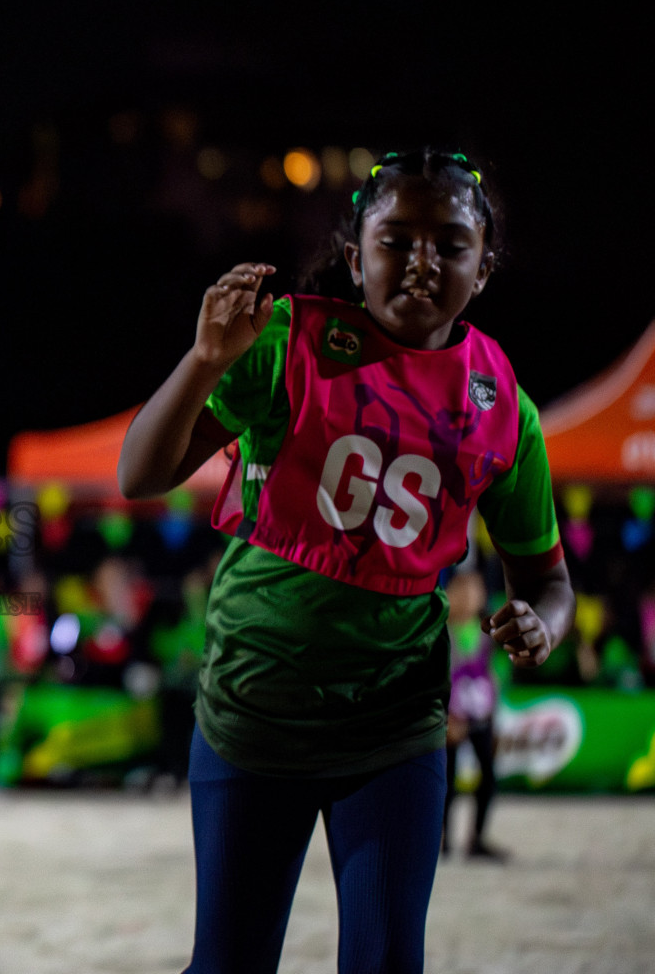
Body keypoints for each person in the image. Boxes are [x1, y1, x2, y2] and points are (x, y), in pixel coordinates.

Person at [117, 149, 574, 973]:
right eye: (397, 238)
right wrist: (205, 360)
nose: (422, 262)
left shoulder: (504, 405)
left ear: (487, 261)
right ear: (356, 250)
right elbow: (142, 473)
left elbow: (546, 577)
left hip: (394, 729)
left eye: (451, 242)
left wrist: (546, 621)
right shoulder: (287, 340)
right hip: (254, 717)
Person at [440, 567, 505, 860]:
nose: (469, 597)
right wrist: (447, 716)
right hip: (450, 720)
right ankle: (442, 841)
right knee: (445, 782)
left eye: (475, 591)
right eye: (463, 591)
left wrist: (494, 716)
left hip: (479, 716)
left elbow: (489, 677)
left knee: (489, 777)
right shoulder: (443, 632)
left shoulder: (483, 635)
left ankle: (476, 839)